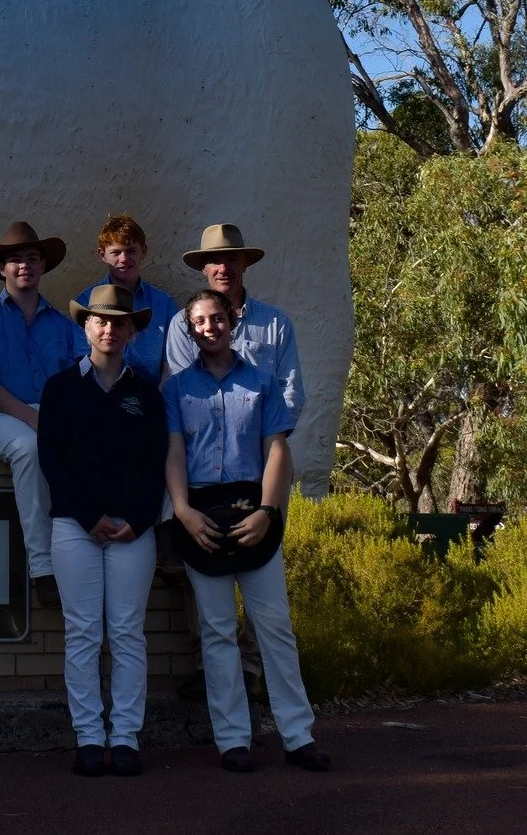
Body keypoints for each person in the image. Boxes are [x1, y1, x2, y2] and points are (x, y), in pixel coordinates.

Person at [164, 288, 330, 773]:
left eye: (218, 318)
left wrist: (268, 511)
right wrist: (182, 511)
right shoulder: (175, 389)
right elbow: (174, 452)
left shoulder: (262, 381)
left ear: (232, 320)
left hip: (254, 513)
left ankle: (298, 735)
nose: (209, 327)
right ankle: (233, 739)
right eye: (199, 321)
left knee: (275, 627)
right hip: (200, 516)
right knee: (216, 631)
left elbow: (277, 449)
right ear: (190, 329)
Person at [38, 284, 169, 778]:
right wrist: (88, 515)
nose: (110, 328)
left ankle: (126, 738)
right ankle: (90, 737)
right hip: (76, 526)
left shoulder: (146, 394)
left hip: (133, 530)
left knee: (128, 633)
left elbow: (156, 463)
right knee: (84, 633)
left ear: (132, 330)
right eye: (100, 320)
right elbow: (52, 458)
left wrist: (138, 520)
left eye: (119, 321)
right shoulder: (60, 388)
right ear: (86, 326)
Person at [0, 221, 85, 605]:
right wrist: (36, 421)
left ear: (43, 265)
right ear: (2, 268)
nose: (24, 266)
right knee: (31, 448)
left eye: (32, 258)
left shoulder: (65, 326)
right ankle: (43, 568)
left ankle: (88, 549)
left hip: (50, 417)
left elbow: (79, 382)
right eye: (15, 259)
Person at [162, 224, 300, 420]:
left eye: (231, 259)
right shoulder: (183, 324)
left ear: (244, 264)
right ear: (203, 268)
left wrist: (272, 435)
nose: (223, 269)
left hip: (263, 444)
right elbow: (183, 392)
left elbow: (290, 389)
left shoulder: (276, 323)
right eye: (214, 261)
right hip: (203, 441)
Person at [86, 214, 179, 383]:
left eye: (131, 251)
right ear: (102, 255)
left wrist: (155, 404)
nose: (124, 259)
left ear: (143, 251)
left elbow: (171, 365)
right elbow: (81, 360)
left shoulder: (164, 305)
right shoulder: (86, 302)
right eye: (115, 252)